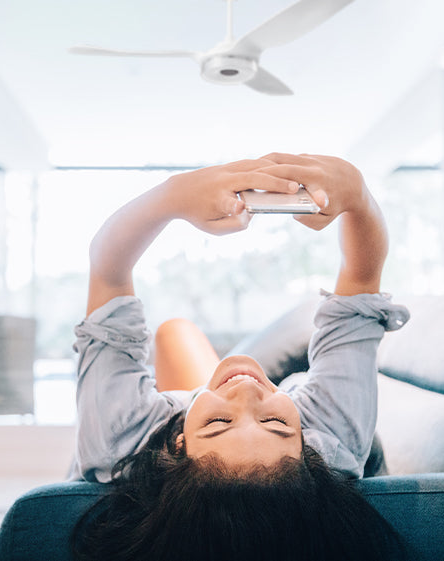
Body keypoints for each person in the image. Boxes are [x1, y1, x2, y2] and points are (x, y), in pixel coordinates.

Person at [69, 153, 411, 561]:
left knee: (175, 332)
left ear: (177, 445)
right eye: (275, 423)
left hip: (163, 428)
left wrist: (172, 196)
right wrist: (358, 198)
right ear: (308, 447)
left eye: (218, 423)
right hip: (303, 418)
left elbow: (108, 270)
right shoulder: (334, 438)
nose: (247, 394)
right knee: (193, 346)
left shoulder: (119, 438)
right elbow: (361, 277)